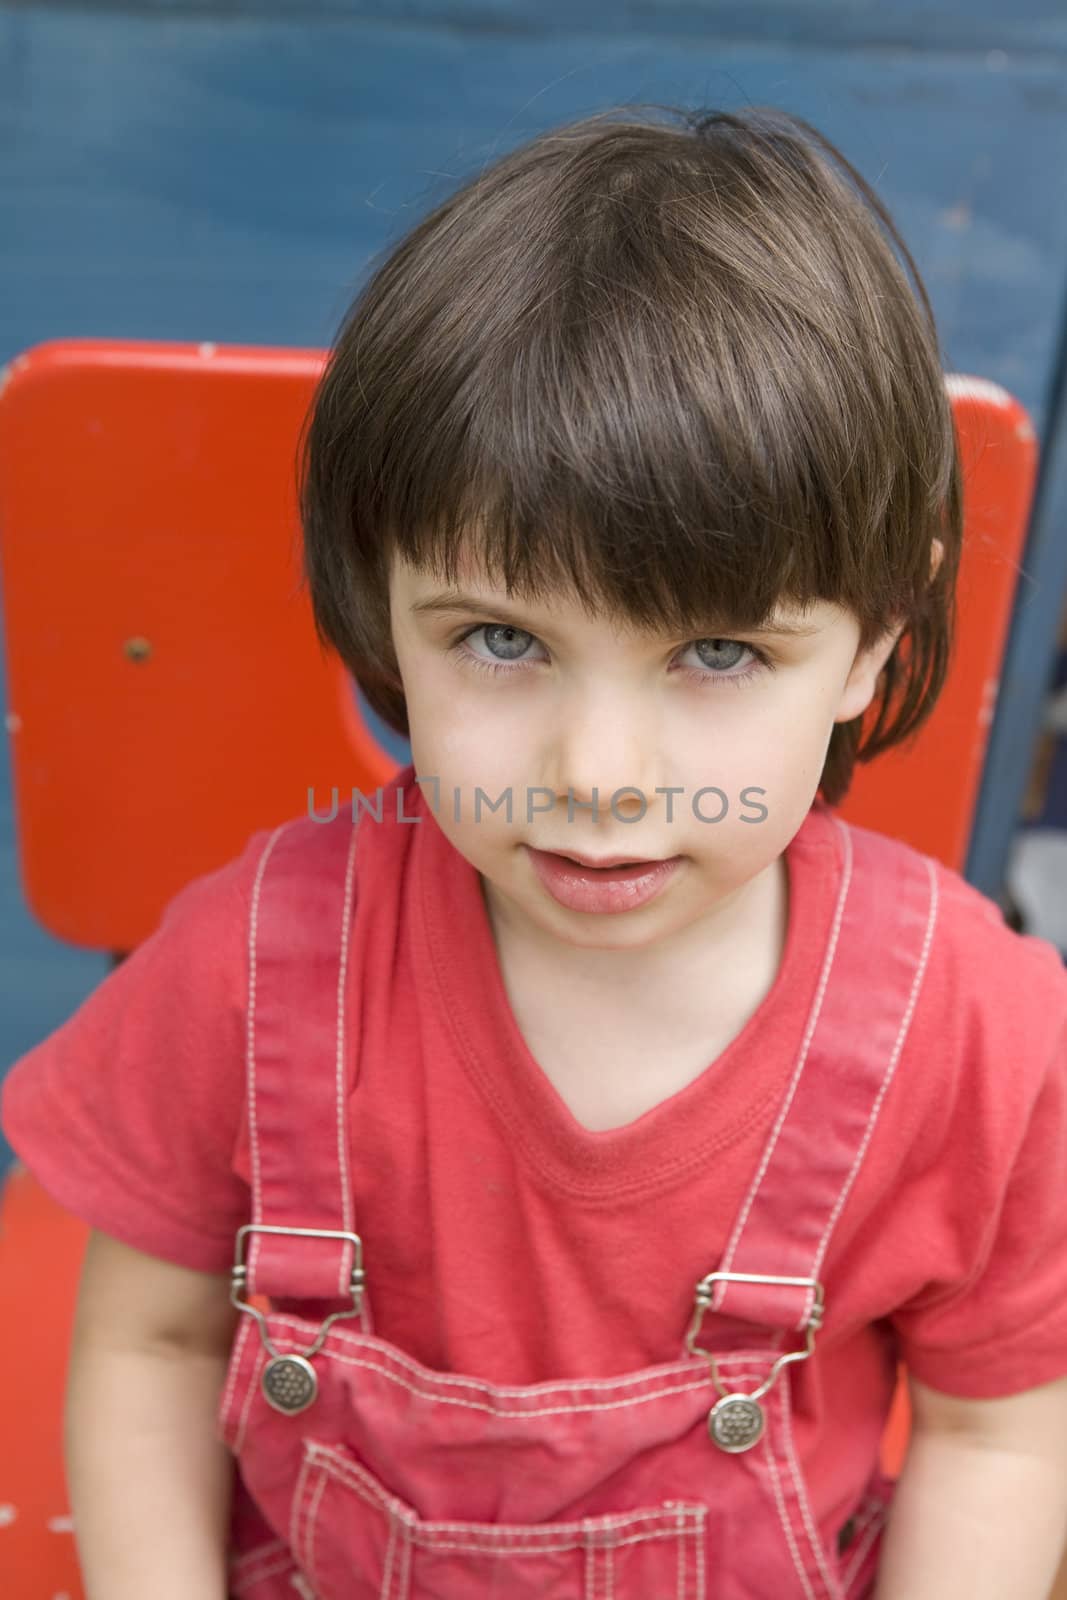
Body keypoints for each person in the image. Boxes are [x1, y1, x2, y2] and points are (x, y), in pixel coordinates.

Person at [4, 102, 1067, 1600]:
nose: (601, 778)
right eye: (503, 639)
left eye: (716, 653)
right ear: (384, 605)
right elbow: (150, 1338)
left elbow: (997, 1438)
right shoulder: (250, 973)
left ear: (876, 636)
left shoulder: (978, 1033)